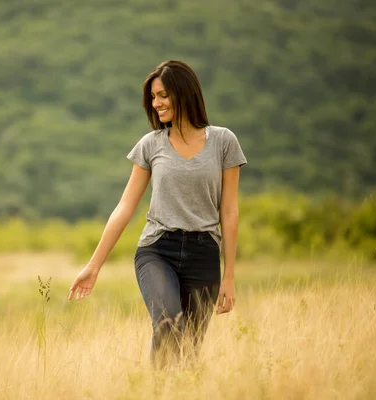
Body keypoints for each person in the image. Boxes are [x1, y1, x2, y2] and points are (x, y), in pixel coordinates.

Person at [67, 60, 247, 366]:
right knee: (167, 325)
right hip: (157, 250)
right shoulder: (151, 145)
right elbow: (124, 208)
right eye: (153, 97)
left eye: (162, 94)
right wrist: (94, 265)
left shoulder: (223, 142)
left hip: (204, 253)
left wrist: (229, 276)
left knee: (189, 350)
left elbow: (229, 212)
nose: (156, 103)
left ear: (183, 92)